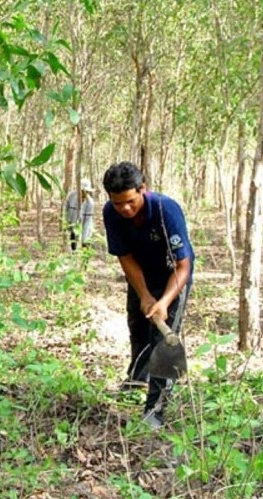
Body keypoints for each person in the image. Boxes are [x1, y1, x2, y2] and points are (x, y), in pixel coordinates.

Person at [102, 161, 194, 430]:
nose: (125, 209)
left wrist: (164, 301)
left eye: (130, 201)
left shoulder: (167, 210)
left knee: (163, 340)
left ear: (143, 189)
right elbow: (125, 257)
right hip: (141, 273)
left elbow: (183, 265)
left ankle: (156, 408)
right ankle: (137, 379)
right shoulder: (111, 213)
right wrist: (143, 294)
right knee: (138, 327)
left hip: (173, 276)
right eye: (118, 204)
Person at [63, 179, 95, 251]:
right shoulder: (71, 196)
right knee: (73, 241)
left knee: (85, 243)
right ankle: (74, 254)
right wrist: (67, 222)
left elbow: (87, 221)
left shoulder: (90, 203)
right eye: (82, 191)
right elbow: (67, 209)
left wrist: (84, 237)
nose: (84, 193)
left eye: (86, 191)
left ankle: (85, 259)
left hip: (85, 225)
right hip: (73, 224)